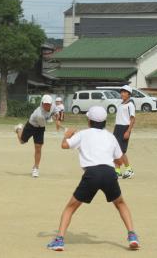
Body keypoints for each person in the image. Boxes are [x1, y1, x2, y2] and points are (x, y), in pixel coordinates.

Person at [47, 106, 139, 251]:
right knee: (120, 203)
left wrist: (68, 135)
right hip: (109, 172)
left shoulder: (83, 134)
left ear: (89, 121)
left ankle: (59, 240)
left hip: (92, 174)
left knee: (70, 207)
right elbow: (120, 161)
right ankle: (132, 236)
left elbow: (64, 145)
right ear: (104, 122)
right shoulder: (110, 136)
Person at [14, 94, 61, 178]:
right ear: (42, 103)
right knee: (22, 141)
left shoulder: (53, 105)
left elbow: (56, 111)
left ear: (51, 103)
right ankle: (18, 129)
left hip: (40, 128)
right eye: (45, 104)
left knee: (38, 147)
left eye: (48, 104)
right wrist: (53, 119)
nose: (47, 106)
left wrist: (57, 115)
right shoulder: (39, 114)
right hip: (32, 125)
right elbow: (45, 123)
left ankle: (36, 168)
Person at [113, 85, 136, 179]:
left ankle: (129, 170)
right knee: (115, 150)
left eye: (124, 92)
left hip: (124, 128)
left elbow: (133, 119)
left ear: (129, 94)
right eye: (121, 92)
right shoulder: (120, 104)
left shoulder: (130, 105)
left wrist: (128, 131)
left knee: (121, 151)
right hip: (117, 128)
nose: (122, 94)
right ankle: (117, 171)